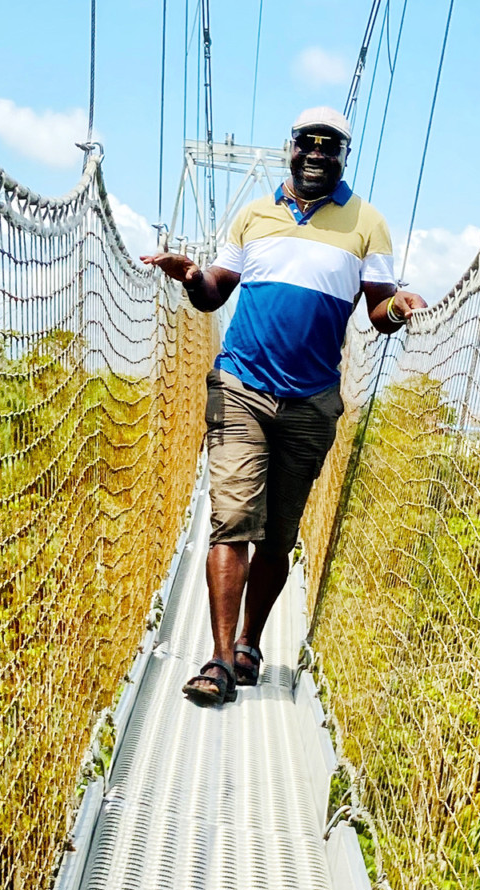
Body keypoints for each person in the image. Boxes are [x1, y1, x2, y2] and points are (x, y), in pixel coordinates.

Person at [142, 106, 426, 706]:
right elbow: (214, 292)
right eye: (308, 144)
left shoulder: (367, 224)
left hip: (312, 400)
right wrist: (192, 274)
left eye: (331, 147)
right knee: (233, 519)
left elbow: (377, 309)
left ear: (342, 156)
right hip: (241, 384)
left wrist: (398, 308)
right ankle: (219, 660)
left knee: (279, 534)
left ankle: (250, 643)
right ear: (291, 147)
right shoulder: (253, 214)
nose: (318, 154)